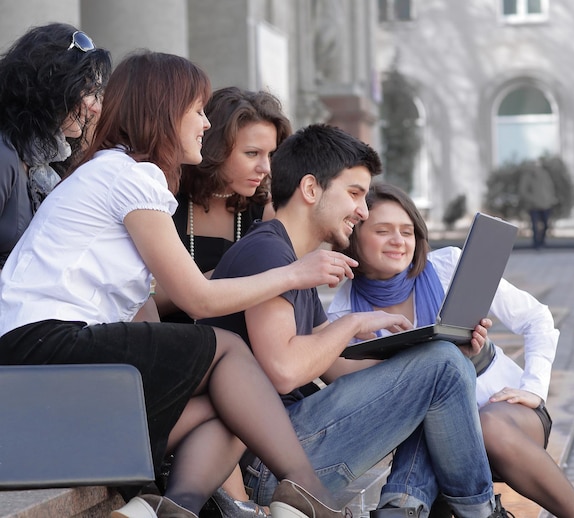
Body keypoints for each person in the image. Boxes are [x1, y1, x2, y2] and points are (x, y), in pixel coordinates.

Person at [0, 51, 355, 518]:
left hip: (37, 353)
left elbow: (144, 311)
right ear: (163, 111)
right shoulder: (132, 176)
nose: (206, 124)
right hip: (43, 345)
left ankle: (171, 508)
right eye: (197, 110)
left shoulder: (110, 172)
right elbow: (197, 300)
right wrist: (294, 273)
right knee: (227, 349)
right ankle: (312, 495)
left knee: (229, 402)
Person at [204, 124, 512, 518]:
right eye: (354, 194)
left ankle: (406, 506)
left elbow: (334, 366)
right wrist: (352, 324)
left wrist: (417, 360)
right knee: (443, 367)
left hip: (287, 447)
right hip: (270, 464)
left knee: (442, 365)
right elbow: (283, 370)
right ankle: (477, 511)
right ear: (311, 189)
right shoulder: (268, 254)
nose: (363, 211)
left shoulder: (292, 259)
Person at [327, 182, 574, 518]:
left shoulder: (448, 266)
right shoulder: (344, 313)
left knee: (487, 425)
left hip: (505, 417)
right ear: (355, 236)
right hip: (432, 441)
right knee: (429, 400)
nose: (399, 241)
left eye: (407, 231)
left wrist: (534, 388)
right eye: (383, 230)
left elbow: (537, 318)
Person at [155, 86, 292, 518]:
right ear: (215, 148)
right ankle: (239, 504)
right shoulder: (166, 205)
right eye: (252, 153)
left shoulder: (260, 216)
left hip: (252, 368)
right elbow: (145, 303)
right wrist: (223, 278)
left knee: (239, 384)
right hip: (178, 362)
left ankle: (230, 504)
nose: (264, 168)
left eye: (270, 155)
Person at [0, 22, 111, 269]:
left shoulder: (45, 162)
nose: (96, 107)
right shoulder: (5, 155)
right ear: (53, 87)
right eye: (90, 92)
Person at [518, 162, 557, 250]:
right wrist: (532, 199)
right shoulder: (527, 177)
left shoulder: (544, 175)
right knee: (535, 225)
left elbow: (550, 187)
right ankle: (536, 244)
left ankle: (542, 242)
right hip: (533, 205)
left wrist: (550, 198)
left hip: (545, 204)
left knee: (546, 224)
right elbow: (523, 191)